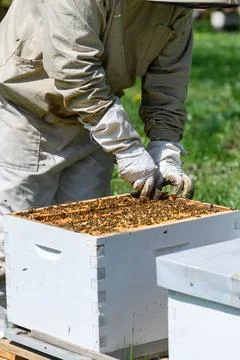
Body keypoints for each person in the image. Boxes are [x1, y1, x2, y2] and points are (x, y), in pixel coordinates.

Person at [0, 0, 194, 334]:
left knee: (82, 251)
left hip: (96, 120)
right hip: (25, 108)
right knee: (12, 250)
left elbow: (169, 78)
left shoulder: (179, 6)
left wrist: (165, 144)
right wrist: (129, 149)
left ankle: (63, 338)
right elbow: (73, 68)